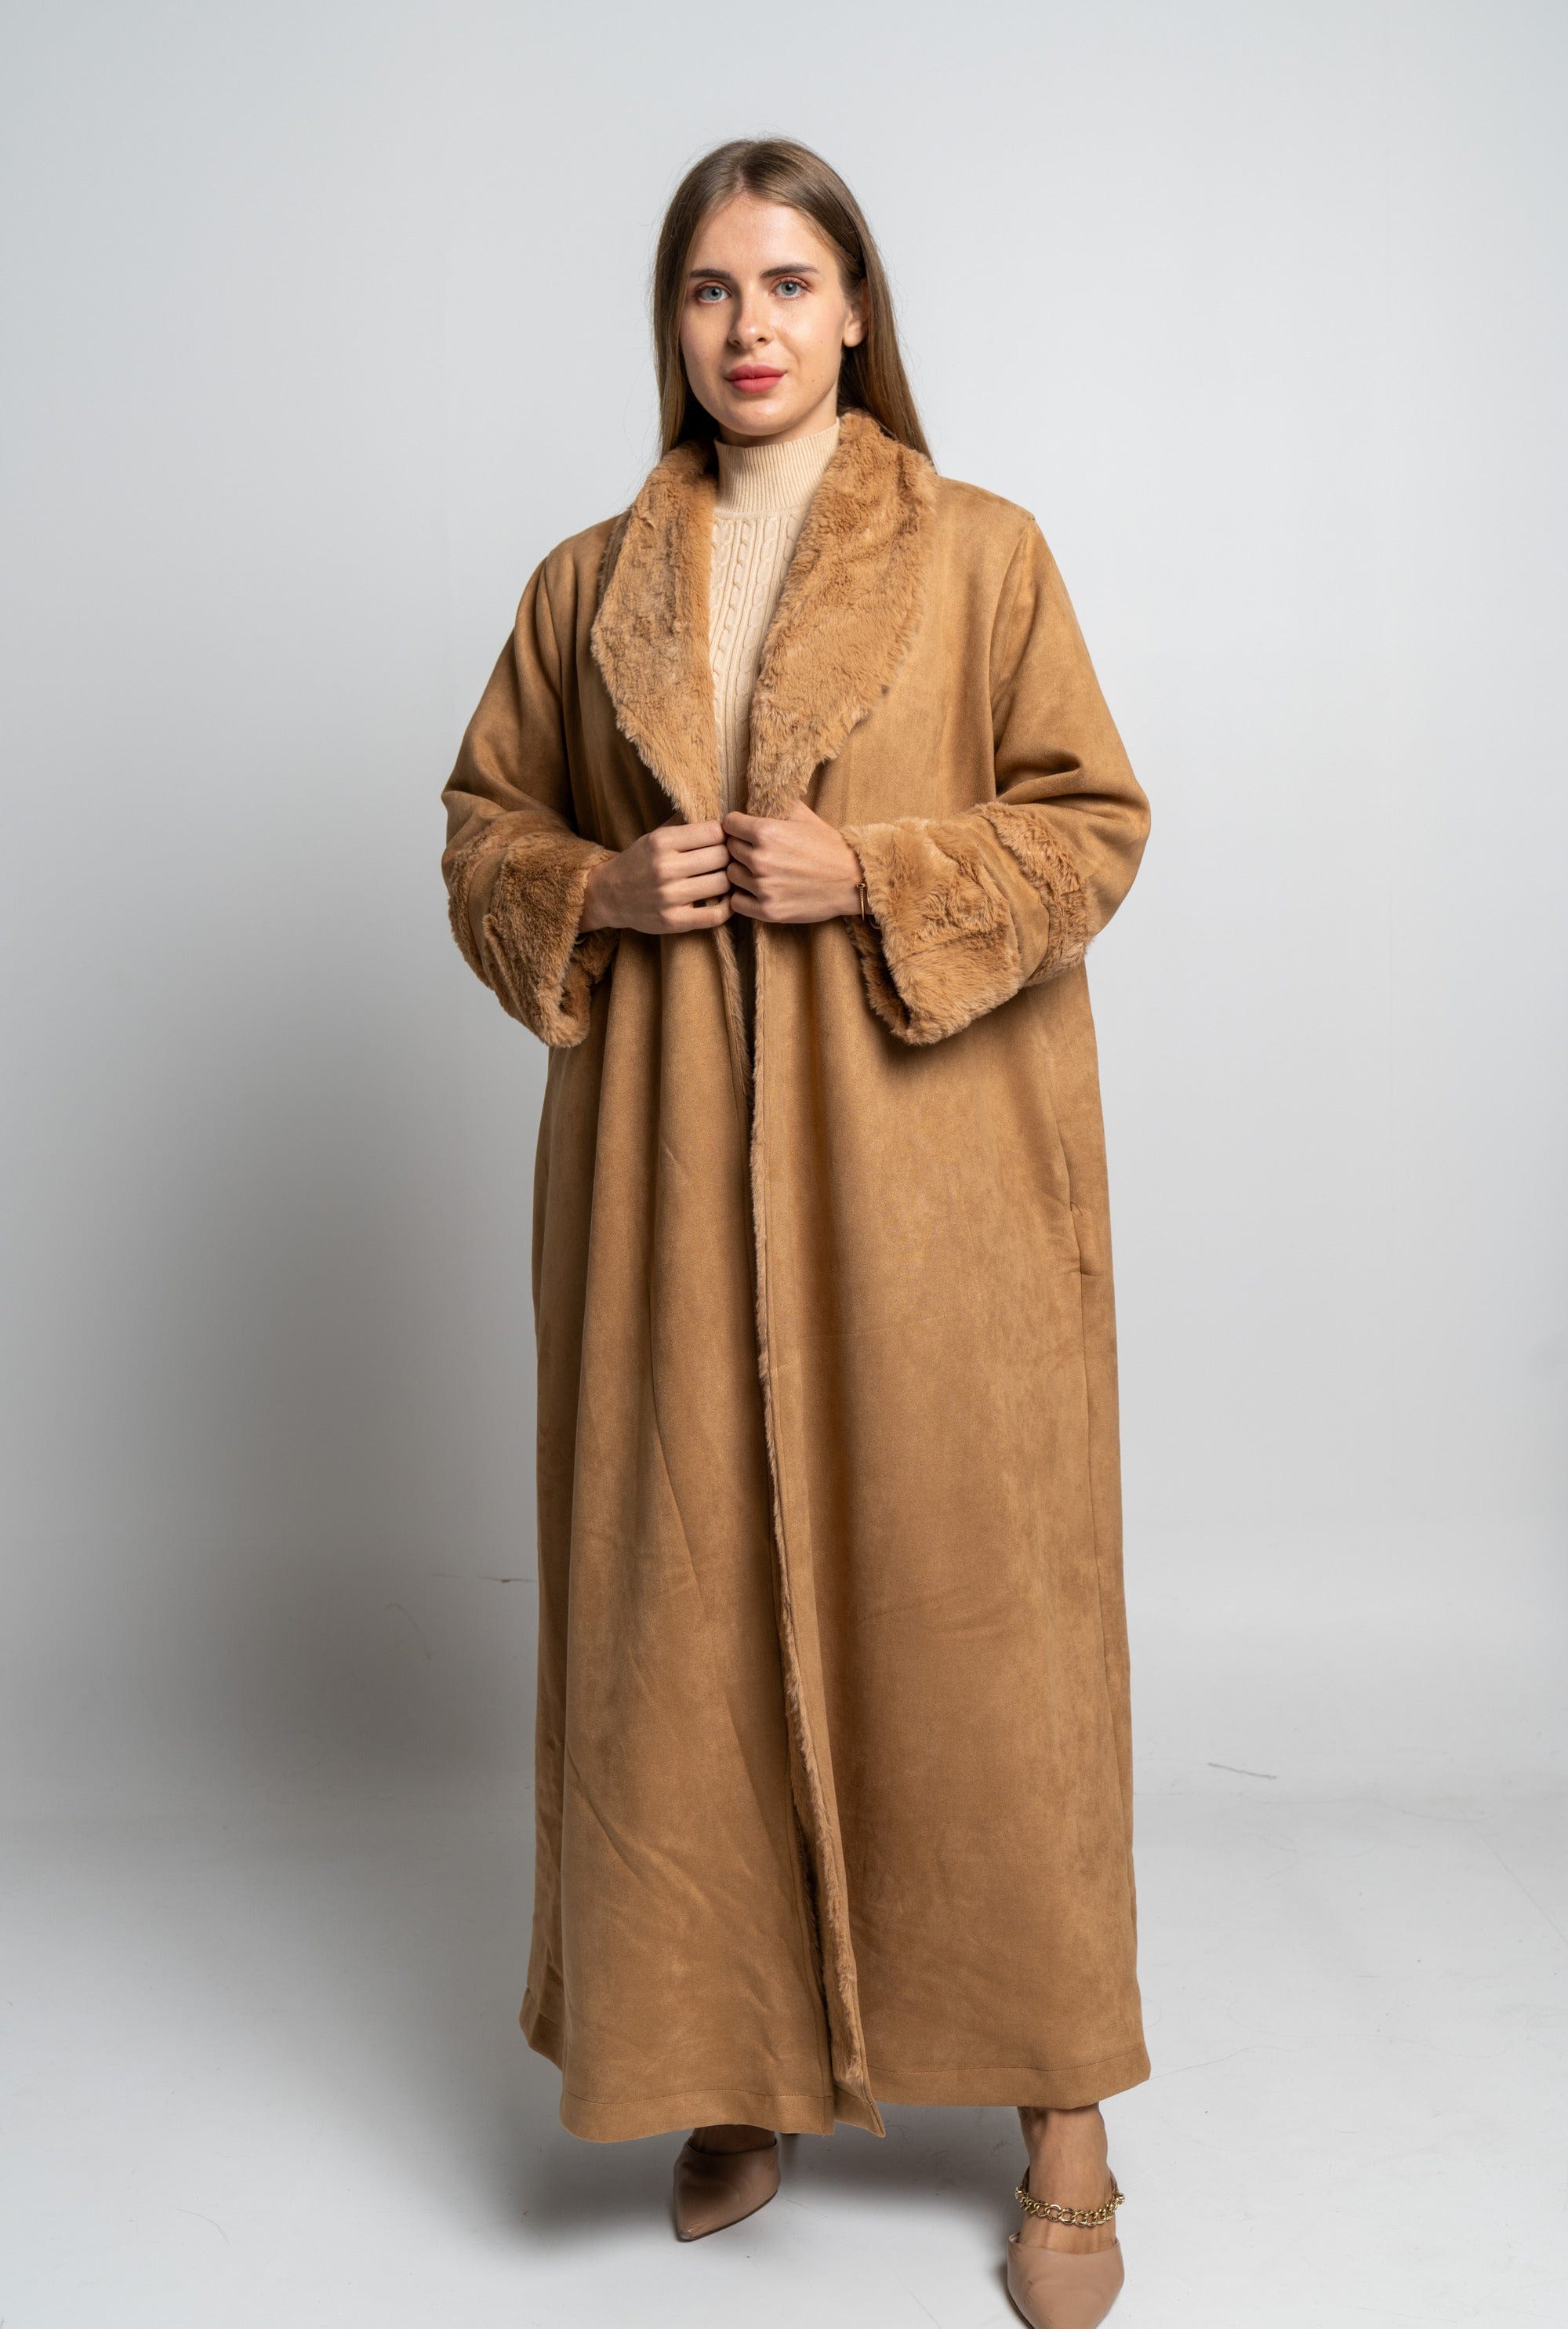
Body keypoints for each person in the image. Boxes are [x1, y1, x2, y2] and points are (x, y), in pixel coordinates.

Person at [440, 135, 1152, 2329]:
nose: (746, 325)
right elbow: (480, 831)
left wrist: (887, 875)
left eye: (785, 282)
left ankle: (1061, 2109)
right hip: (665, 1186)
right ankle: (727, 2049)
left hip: (927, 1184)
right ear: (672, 326)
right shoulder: (589, 587)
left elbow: (1094, 824)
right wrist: (594, 888)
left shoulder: (984, 553)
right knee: (691, 1613)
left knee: (977, 1620)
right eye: (707, 288)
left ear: (856, 313)